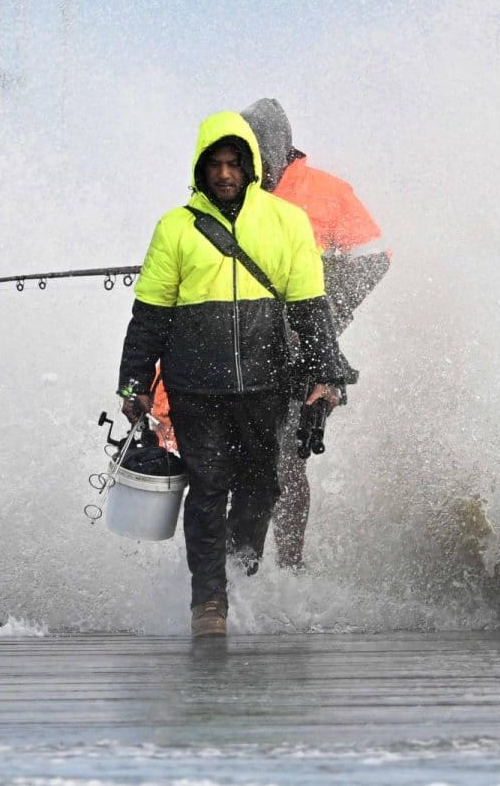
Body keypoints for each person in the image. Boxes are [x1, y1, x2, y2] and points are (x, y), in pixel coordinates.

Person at [117, 111, 349, 638]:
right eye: (214, 165)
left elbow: (311, 310)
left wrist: (325, 374)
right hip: (195, 389)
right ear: (201, 169)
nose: (224, 174)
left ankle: (239, 575)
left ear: (250, 167)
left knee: (262, 486)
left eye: (233, 164)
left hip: (267, 386)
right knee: (206, 488)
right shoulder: (175, 228)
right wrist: (133, 383)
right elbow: (149, 316)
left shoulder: (288, 223)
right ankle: (209, 604)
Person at [240, 98, 389, 570]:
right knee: (242, 458)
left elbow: (375, 256)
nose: (252, 168)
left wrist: (323, 297)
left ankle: (290, 566)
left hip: (307, 349)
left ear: (279, 150)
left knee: (288, 460)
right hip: (245, 347)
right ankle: (238, 567)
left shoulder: (328, 192)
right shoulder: (233, 193)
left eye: (259, 156)